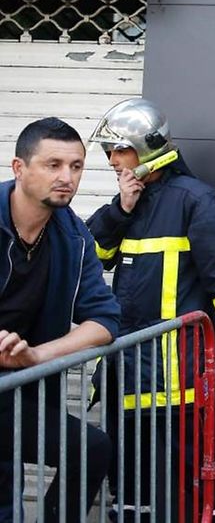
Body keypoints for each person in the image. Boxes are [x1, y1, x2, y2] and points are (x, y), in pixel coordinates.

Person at [86, 98, 215, 521]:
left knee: (199, 479)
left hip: (181, 376)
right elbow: (90, 257)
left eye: (118, 150)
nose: (111, 161)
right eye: (108, 152)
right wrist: (119, 211)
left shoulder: (197, 201)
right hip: (129, 372)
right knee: (129, 485)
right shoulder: (128, 202)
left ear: (145, 149)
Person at [0, 118, 121, 523]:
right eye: (53, 165)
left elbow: (104, 320)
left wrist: (35, 355)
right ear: (20, 168)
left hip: (20, 391)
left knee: (91, 448)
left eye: (76, 166)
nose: (67, 177)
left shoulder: (73, 235)